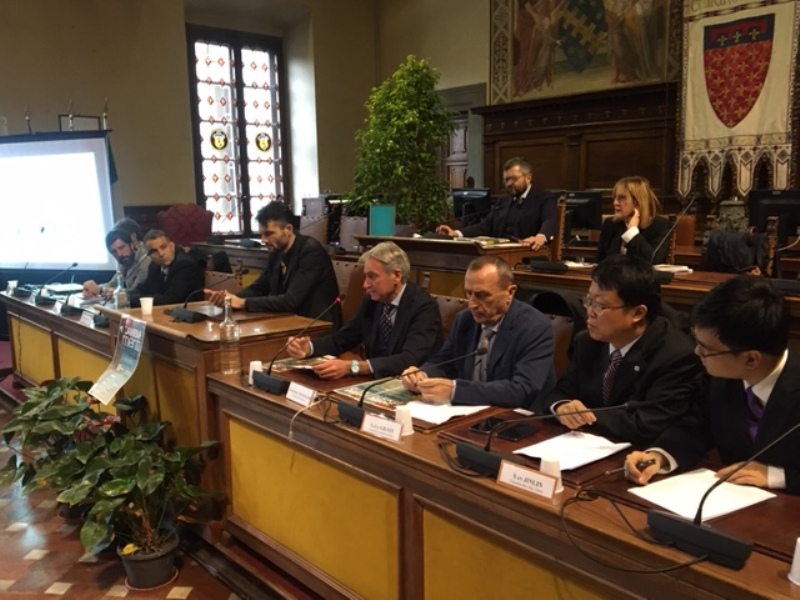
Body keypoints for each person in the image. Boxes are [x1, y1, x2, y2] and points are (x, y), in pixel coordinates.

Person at [625, 276, 800, 495]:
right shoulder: (722, 376)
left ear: (751, 358)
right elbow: (697, 425)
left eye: (706, 349)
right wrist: (659, 456)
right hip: (729, 498)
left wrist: (778, 477)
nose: (697, 352)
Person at [542, 254, 703, 446]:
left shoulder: (676, 355)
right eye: (588, 301)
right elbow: (561, 392)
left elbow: (646, 424)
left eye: (600, 306)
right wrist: (562, 407)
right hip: (584, 446)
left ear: (638, 313)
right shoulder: (586, 342)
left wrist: (586, 415)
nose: (590, 312)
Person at [401, 256, 555, 408]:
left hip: (516, 417)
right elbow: (445, 362)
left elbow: (521, 389)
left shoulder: (534, 327)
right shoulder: (465, 320)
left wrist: (455, 391)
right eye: (469, 293)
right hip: (468, 412)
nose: (472, 304)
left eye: (482, 295)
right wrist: (422, 374)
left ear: (510, 292)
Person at [285, 242, 443, 379]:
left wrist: (353, 367)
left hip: (414, 387)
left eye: (372, 277)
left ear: (396, 275)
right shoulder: (372, 302)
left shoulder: (424, 307)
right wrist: (308, 348)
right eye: (366, 276)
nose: (365, 285)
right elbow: (342, 339)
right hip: (374, 381)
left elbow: (409, 359)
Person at [205, 201, 341, 329]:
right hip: (289, 322)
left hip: (317, 328)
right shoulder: (276, 253)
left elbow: (291, 301)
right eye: (261, 235)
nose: (263, 240)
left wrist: (242, 303)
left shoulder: (311, 252)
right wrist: (229, 299)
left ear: (288, 229)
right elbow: (259, 288)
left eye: (269, 234)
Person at [436, 157, 558, 251]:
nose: (508, 184)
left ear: (528, 178)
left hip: (528, 253)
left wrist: (540, 237)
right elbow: (485, 226)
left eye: (513, 179)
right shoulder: (504, 201)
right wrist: (457, 233)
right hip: (499, 254)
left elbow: (550, 220)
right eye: (506, 180)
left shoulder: (544, 198)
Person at [596, 176, 673, 264]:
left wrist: (632, 233)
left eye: (621, 198)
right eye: (615, 198)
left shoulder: (661, 226)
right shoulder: (611, 224)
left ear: (637, 202)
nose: (615, 203)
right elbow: (600, 261)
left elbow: (653, 260)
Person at [128, 229, 205, 308]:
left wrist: (139, 300)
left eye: (163, 247)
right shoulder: (154, 266)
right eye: (154, 251)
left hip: (188, 312)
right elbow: (145, 288)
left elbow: (170, 300)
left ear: (172, 246)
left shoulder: (185, 265)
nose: (161, 254)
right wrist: (130, 297)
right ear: (149, 256)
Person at [82, 226, 150, 299]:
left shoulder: (145, 261)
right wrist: (93, 289)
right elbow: (113, 284)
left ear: (132, 244)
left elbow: (135, 293)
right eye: (114, 251)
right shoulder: (124, 261)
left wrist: (101, 290)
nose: (119, 254)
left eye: (121, 247)